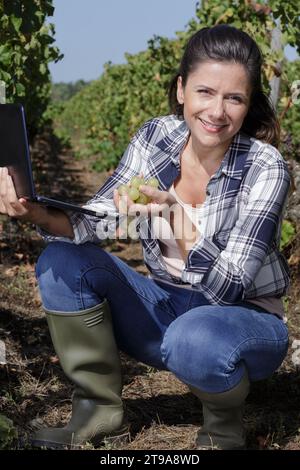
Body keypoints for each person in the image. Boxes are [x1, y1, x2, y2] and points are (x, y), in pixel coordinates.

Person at [0, 24, 291, 450]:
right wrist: (36, 210)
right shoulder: (156, 137)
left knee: (194, 335)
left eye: (234, 98)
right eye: (205, 92)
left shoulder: (266, 167)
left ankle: (222, 432)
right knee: (62, 261)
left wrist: (175, 216)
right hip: (167, 309)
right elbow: (96, 220)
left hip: (242, 323)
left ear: (247, 107)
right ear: (181, 90)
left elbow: (230, 287)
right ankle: (98, 412)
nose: (217, 111)